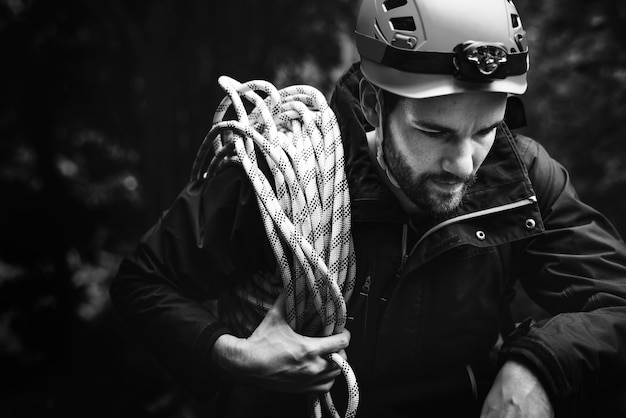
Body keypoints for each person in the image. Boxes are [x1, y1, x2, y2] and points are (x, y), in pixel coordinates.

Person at [110, 0, 626, 417]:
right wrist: (231, 356)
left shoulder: (521, 179)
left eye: (486, 131)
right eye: (434, 132)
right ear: (375, 104)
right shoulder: (288, 168)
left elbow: (615, 301)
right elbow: (144, 281)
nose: (465, 163)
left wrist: (538, 367)